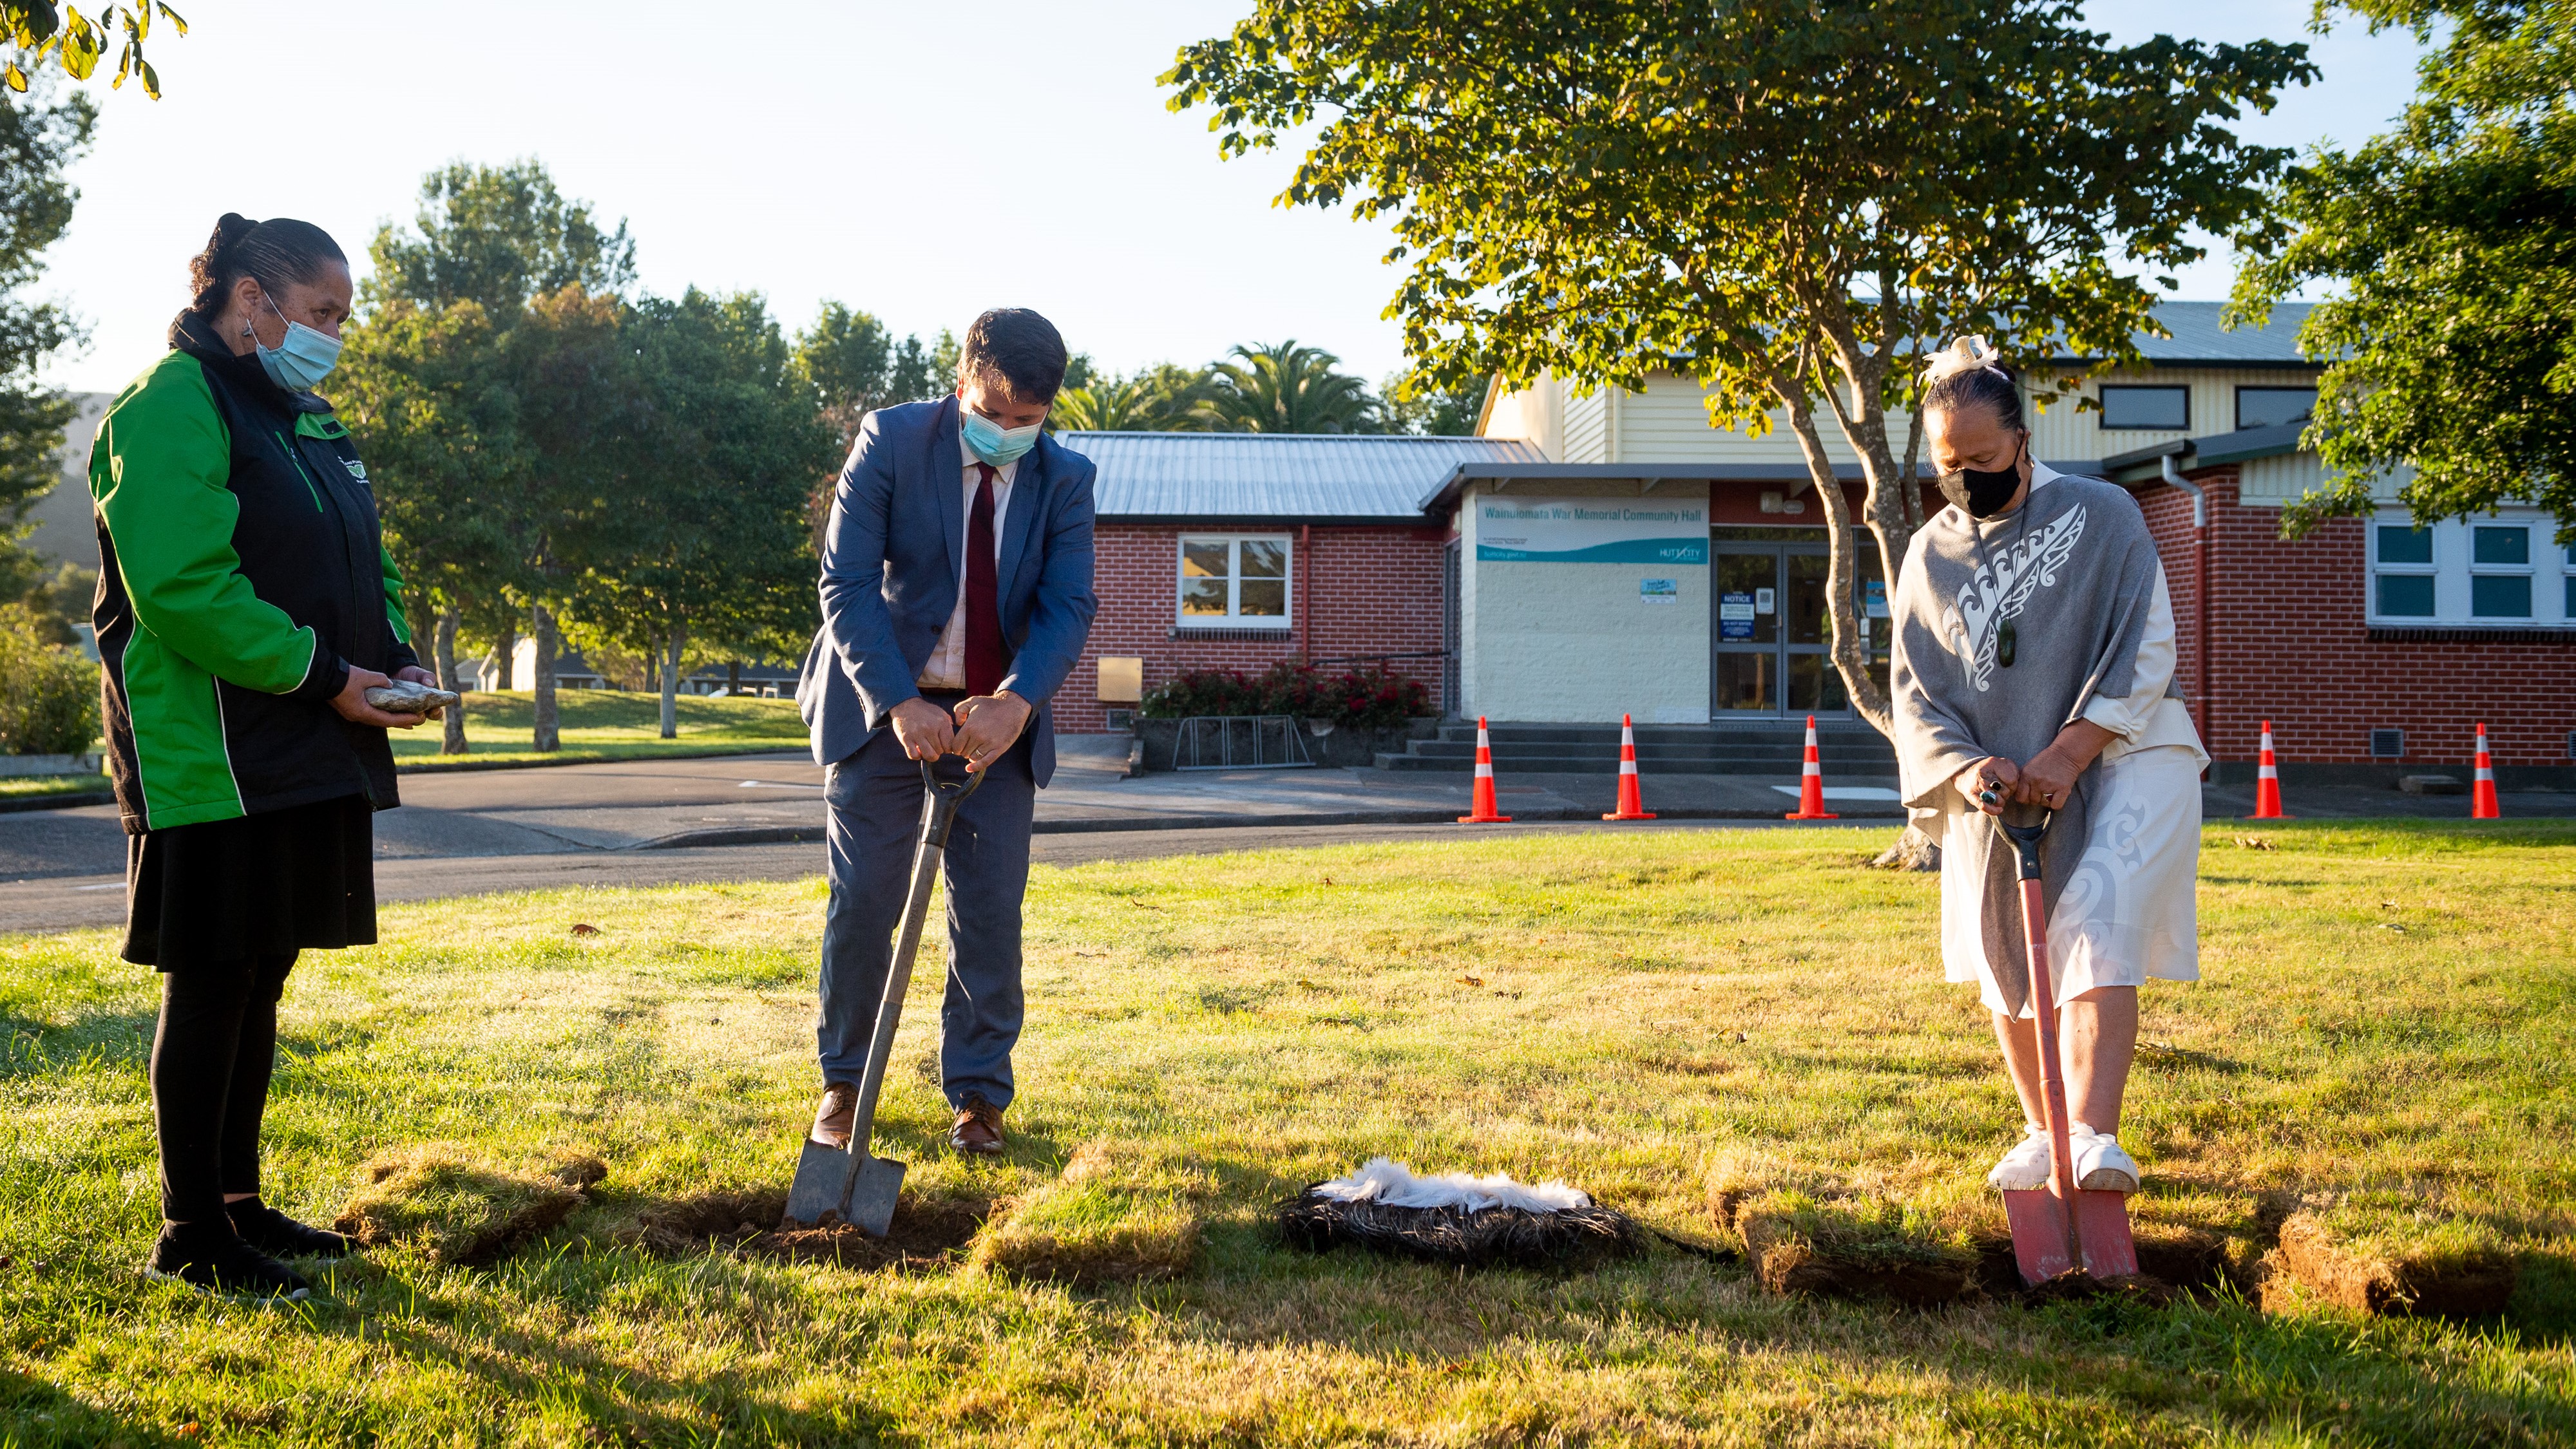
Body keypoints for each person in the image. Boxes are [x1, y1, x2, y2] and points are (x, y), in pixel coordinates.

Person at [92, 214, 438, 1297]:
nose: (335, 333)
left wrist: (390, 660)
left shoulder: (304, 417)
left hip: (303, 731)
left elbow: (358, 556)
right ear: (252, 300)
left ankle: (238, 1204)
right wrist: (326, 673)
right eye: (323, 312)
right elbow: (183, 586)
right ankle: (189, 1231)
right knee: (214, 975)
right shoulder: (170, 405)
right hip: (211, 749)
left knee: (264, 968)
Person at [1888, 336, 2208, 1198]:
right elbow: (1916, 689)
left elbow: (2147, 642)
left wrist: (2068, 751)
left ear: (2024, 439)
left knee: (2095, 925)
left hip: (2125, 753)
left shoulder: (2106, 515)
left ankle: (2093, 1135)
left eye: (1984, 459)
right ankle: (2042, 1132)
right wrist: (1968, 771)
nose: (1966, 480)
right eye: (1949, 465)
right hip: (1997, 785)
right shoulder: (1930, 553)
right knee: (2003, 946)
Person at [797, 308, 1098, 1156]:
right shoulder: (890, 442)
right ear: (963, 383)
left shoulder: (1066, 481)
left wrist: (1017, 702)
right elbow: (846, 583)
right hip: (884, 710)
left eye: (1027, 421)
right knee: (864, 903)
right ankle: (846, 1083)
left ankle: (977, 1096)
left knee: (991, 914)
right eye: (994, 413)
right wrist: (900, 701)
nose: (1007, 432)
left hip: (993, 722)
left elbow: (1068, 604)